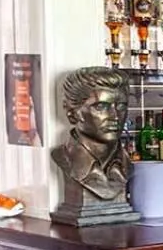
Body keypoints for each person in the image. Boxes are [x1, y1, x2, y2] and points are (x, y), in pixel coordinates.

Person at [51, 66, 132, 202]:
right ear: (72, 113)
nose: (115, 116)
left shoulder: (127, 164)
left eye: (121, 106)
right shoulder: (64, 158)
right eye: (101, 107)